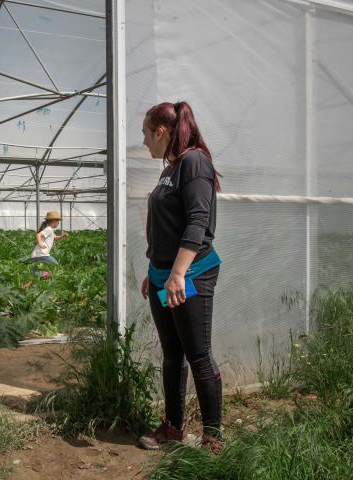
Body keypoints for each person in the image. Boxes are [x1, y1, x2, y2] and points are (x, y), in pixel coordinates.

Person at [137, 101, 223, 454]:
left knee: (198, 354)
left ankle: (213, 438)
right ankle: (173, 428)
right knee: (172, 355)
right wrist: (153, 271)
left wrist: (177, 273)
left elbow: (197, 221)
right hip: (163, 277)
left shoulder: (194, 162)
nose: (144, 142)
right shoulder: (169, 168)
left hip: (190, 275)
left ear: (161, 131)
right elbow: (164, 225)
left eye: (145, 134)